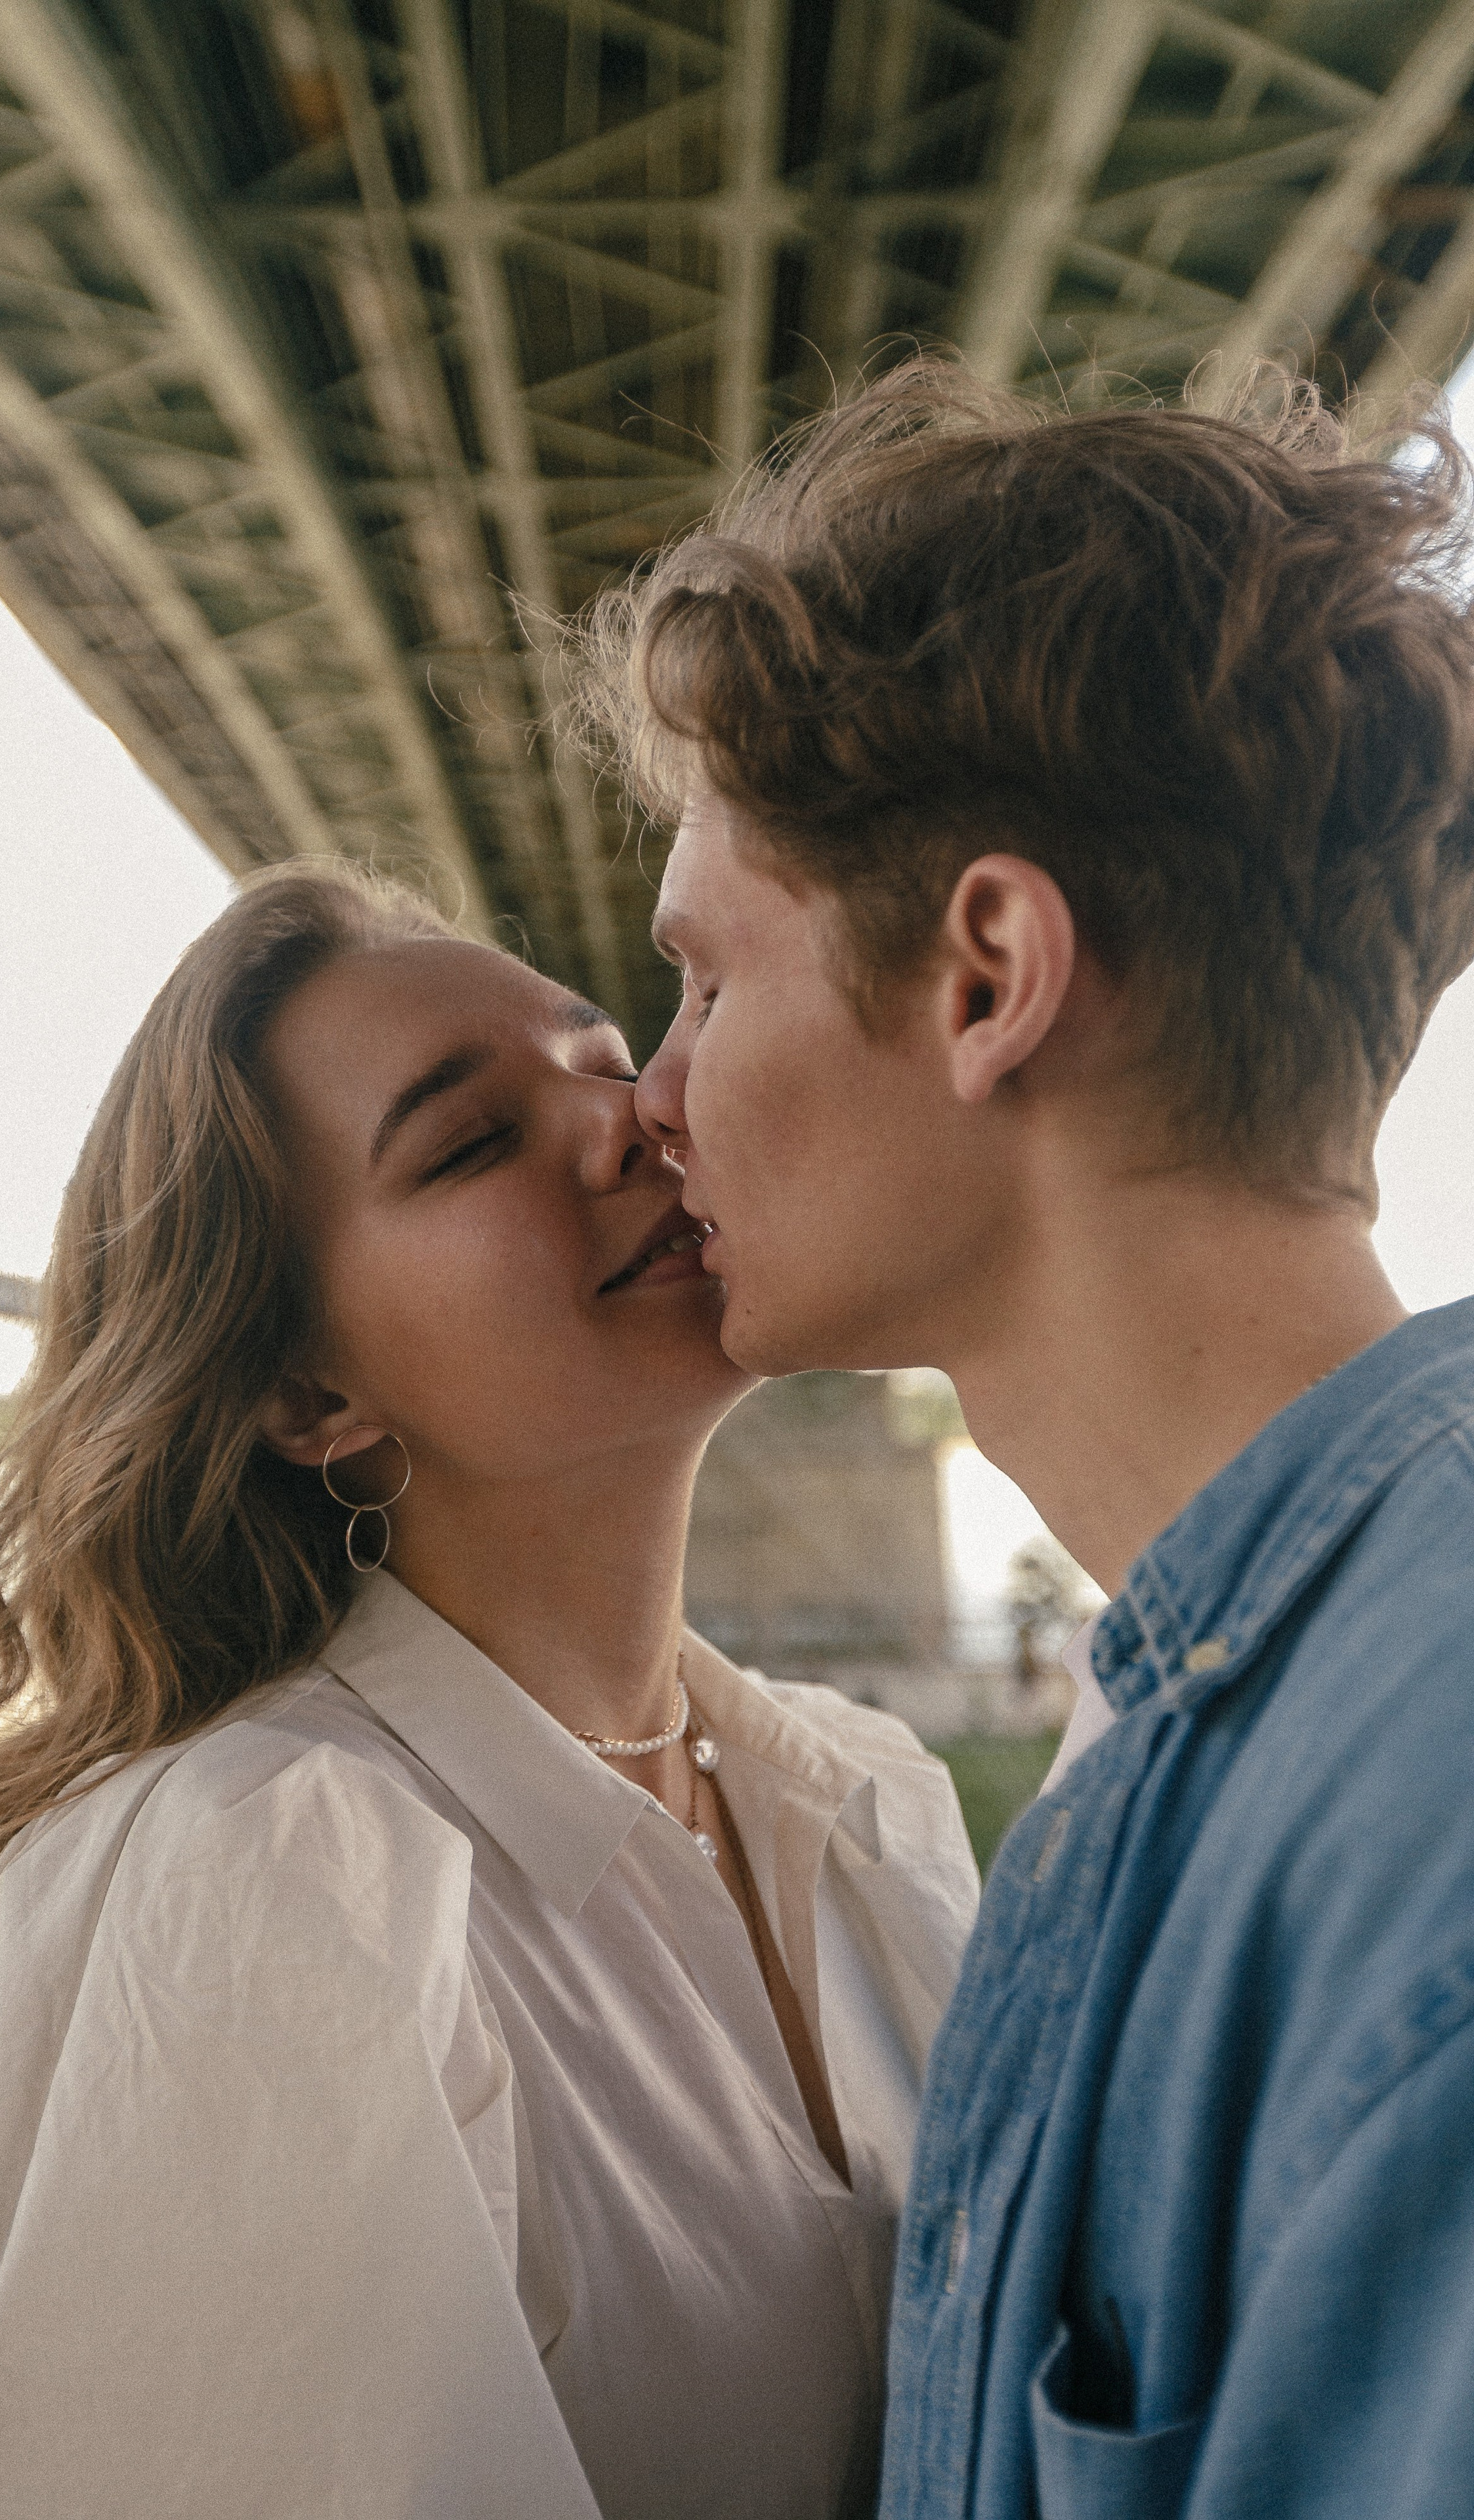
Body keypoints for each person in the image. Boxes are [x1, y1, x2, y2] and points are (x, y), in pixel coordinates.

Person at [576, 356, 1474, 2517]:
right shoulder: (1190, 1717)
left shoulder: (1421, 1815)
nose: (651, 1095)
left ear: (988, 972)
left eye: (707, 979)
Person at [0, 866, 979, 2519]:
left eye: (610, 1064)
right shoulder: (241, 1887)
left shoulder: (863, 1802)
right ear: (310, 1393)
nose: (628, 1127)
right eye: (467, 1143)